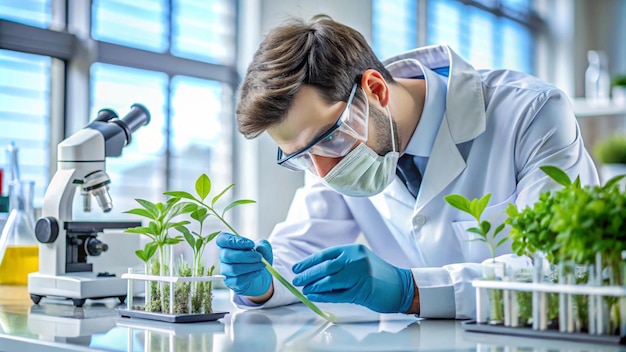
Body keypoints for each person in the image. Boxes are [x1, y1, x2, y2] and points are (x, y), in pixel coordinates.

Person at [216, 15, 599, 319]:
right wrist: (263, 281)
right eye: (300, 156)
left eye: (329, 139)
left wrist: (410, 291)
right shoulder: (329, 147)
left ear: (376, 90)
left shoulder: (531, 114)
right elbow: (299, 251)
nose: (324, 172)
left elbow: (563, 267)